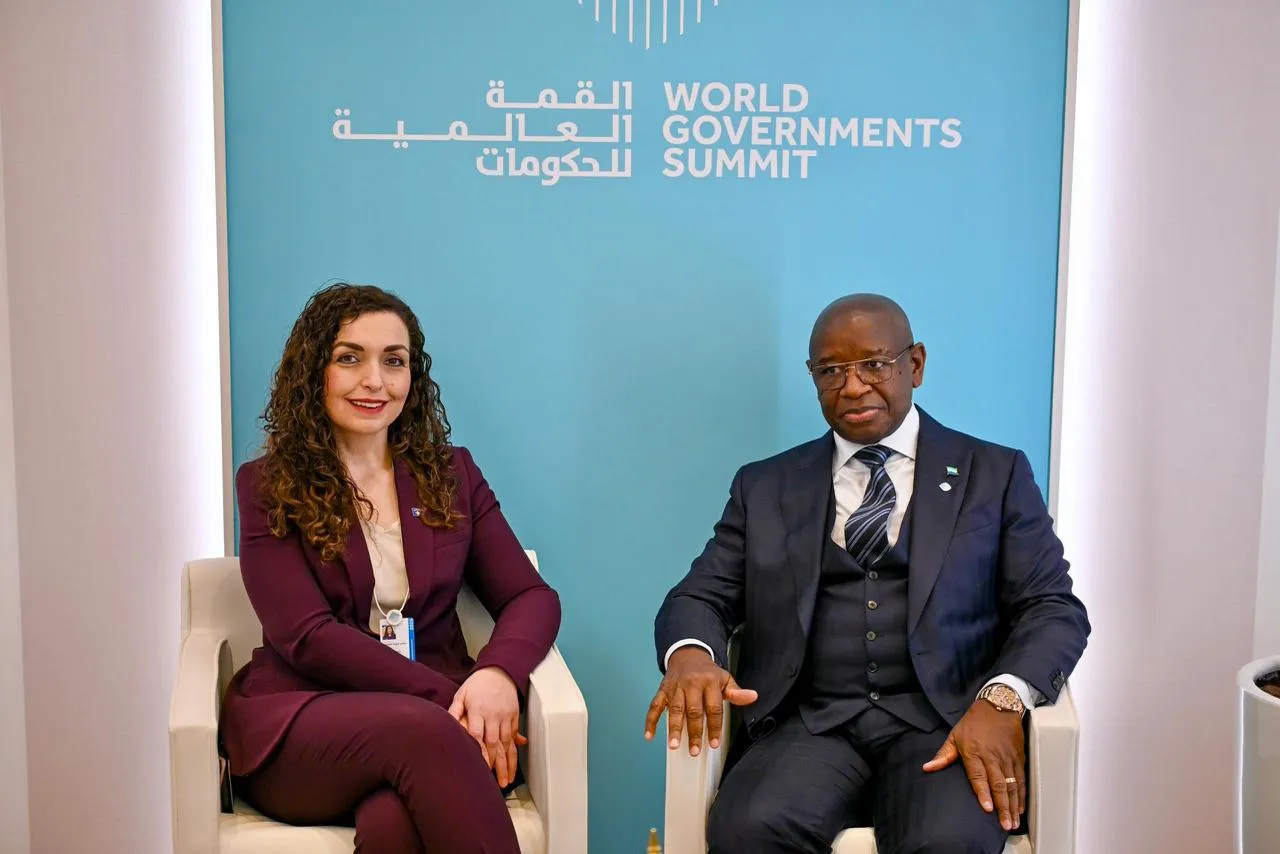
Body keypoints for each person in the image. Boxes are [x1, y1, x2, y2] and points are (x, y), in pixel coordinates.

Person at [645, 294, 1089, 854]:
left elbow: (1052, 607)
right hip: (809, 725)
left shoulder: (994, 474)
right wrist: (690, 654)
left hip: (946, 722)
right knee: (747, 829)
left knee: (947, 841)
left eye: (874, 364)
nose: (852, 387)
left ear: (915, 364)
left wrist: (1001, 701)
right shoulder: (765, 486)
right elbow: (699, 596)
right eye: (831, 371)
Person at [221, 283, 560, 854]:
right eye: (349, 358)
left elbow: (531, 596)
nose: (374, 380)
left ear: (413, 377)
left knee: (393, 828)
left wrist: (496, 676)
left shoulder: (452, 475)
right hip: (305, 721)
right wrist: (450, 700)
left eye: (393, 361)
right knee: (423, 734)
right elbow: (307, 636)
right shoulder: (267, 485)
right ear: (313, 372)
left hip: (430, 737)